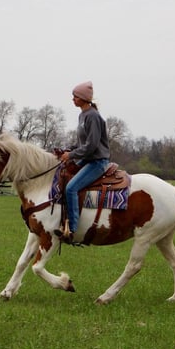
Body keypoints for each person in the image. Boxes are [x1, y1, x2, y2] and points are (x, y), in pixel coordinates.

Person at [57, 81, 111, 244]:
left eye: (75, 96)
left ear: (83, 98)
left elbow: (92, 145)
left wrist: (72, 154)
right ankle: (62, 221)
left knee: (72, 188)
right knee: (62, 176)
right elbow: (82, 144)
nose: (73, 99)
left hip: (97, 162)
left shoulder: (93, 116)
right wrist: (67, 150)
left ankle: (73, 229)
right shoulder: (82, 115)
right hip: (86, 160)